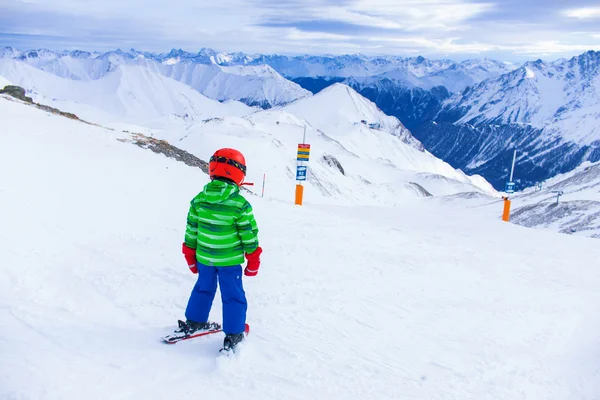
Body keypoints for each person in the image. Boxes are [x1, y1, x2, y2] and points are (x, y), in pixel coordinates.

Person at [178, 148, 262, 352]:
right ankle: (234, 332)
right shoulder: (240, 205)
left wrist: (190, 255)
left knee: (203, 288)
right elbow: (249, 234)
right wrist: (253, 259)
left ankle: (194, 321)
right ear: (239, 173)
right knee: (232, 295)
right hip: (229, 261)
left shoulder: (199, 199)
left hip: (204, 258)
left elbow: (192, 229)